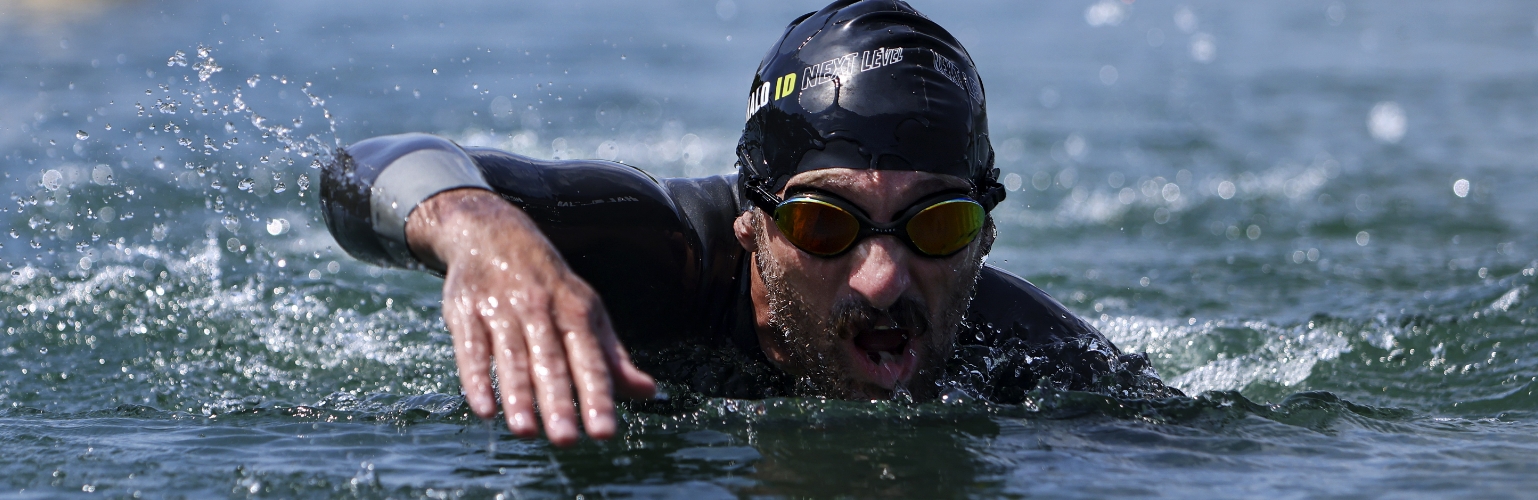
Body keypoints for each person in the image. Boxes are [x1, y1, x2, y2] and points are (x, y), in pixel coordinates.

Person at [321, 0, 1176, 447]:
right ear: (751, 224)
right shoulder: (657, 251)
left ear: (985, 235)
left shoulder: (1036, 354)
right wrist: (480, 230)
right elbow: (355, 170)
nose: (884, 280)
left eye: (938, 228)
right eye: (825, 227)